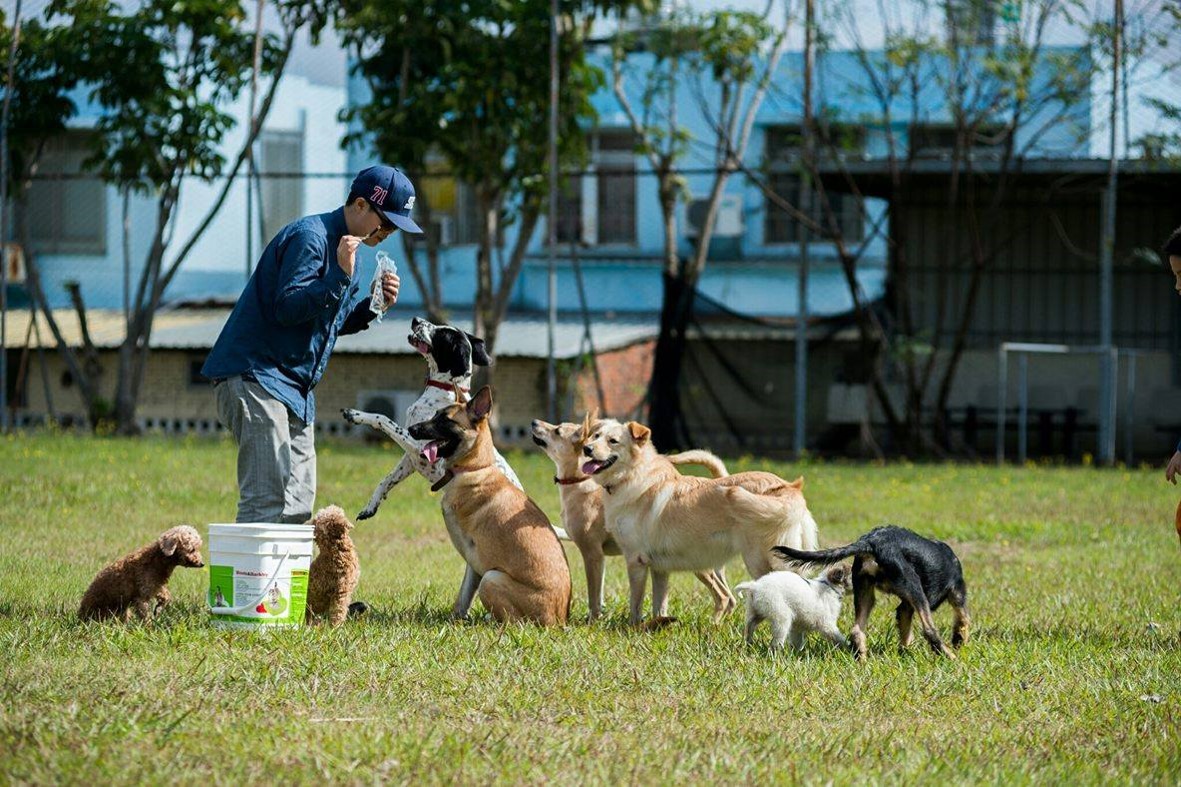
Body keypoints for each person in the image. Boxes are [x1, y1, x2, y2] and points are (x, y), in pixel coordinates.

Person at [202, 165, 421, 523]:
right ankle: (249, 581)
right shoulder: (312, 238)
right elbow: (287, 307)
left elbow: (329, 323)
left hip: (295, 390)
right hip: (256, 376)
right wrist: (339, 275)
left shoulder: (349, 255)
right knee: (266, 499)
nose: (389, 232)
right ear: (362, 205)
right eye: (388, 222)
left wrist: (372, 305)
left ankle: (283, 583)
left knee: (298, 506)